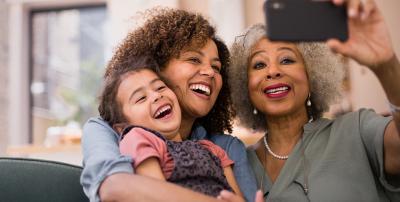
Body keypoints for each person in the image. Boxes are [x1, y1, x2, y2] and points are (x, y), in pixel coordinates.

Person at [226, 0, 400, 201]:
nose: (273, 71)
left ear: (312, 76)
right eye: (259, 65)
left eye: (287, 60)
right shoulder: (237, 163)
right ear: (244, 86)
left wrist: (386, 64)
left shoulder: (356, 131)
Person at [80, 8, 258, 202]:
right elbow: (115, 189)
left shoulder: (226, 147)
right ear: (157, 68)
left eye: (216, 67)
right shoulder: (108, 131)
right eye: (193, 59)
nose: (209, 72)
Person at [97, 56, 243, 198]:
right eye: (141, 98)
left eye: (160, 87)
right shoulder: (138, 138)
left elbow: (236, 198)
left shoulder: (212, 149)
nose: (156, 96)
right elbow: (156, 196)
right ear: (122, 128)